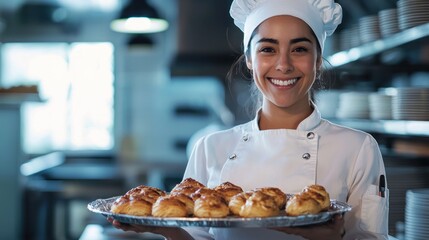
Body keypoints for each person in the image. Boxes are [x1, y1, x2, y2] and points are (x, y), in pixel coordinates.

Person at [109, 0, 389, 239]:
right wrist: (168, 231)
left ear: (317, 60)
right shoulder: (210, 147)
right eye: (268, 49)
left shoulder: (357, 149)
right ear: (249, 60)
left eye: (299, 49)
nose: (283, 64)